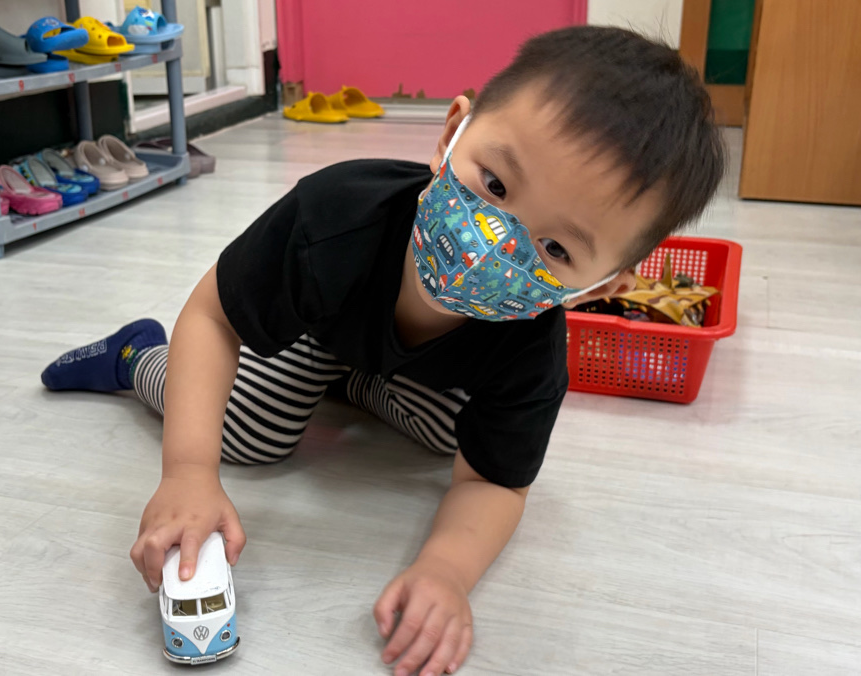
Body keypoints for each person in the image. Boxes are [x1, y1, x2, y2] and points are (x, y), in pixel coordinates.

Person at [41, 25, 724, 676]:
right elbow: (214, 316)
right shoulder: (336, 214)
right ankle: (135, 356)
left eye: (554, 248)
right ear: (453, 131)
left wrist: (447, 570)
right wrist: (188, 471)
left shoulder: (531, 347)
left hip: (407, 369)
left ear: (603, 287)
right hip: (316, 330)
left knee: (448, 439)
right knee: (250, 434)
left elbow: (494, 482)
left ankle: (355, 383)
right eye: (495, 185)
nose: (493, 241)